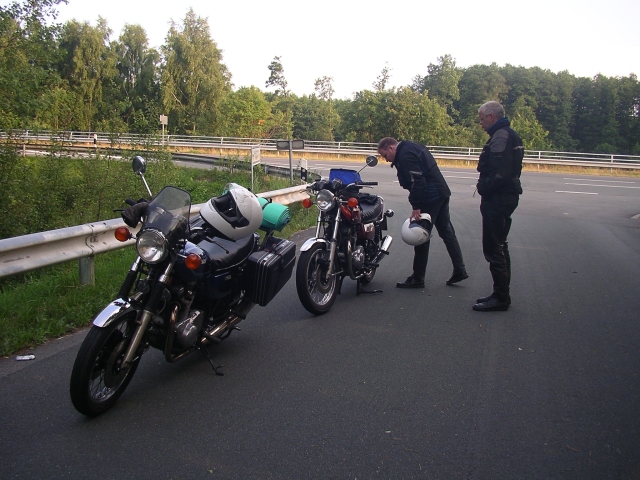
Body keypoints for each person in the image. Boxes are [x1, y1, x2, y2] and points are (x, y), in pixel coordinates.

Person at [377, 137, 468, 289]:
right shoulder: (413, 146)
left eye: (385, 155)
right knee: (447, 232)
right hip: (441, 192)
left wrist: (417, 206)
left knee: (420, 235)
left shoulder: (405, 155)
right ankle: (460, 269)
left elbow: (417, 181)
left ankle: (418, 277)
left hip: (430, 196)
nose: (386, 160)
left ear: (391, 147)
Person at [473, 101, 524, 311]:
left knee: (494, 248)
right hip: (506, 196)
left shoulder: (501, 136)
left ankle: (501, 297)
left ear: (491, 117)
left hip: (498, 198)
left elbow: (501, 172)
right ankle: (501, 294)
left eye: (482, 119)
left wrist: (484, 188)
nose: (481, 123)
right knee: (500, 245)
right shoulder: (508, 134)